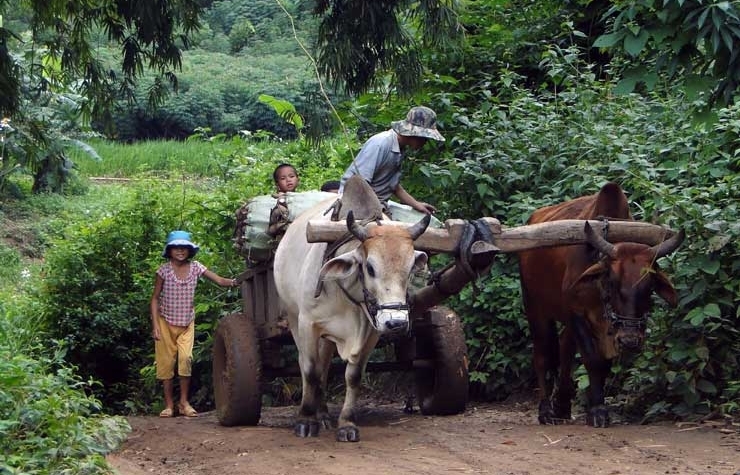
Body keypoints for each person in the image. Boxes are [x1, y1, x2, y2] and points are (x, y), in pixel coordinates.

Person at [150, 230, 239, 418]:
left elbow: (219, 280)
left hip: (186, 323)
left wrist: (234, 282)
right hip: (165, 322)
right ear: (170, 251)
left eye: (184, 248)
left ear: (189, 251)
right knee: (166, 365)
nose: (180, 251)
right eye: (176, 248)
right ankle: (169, 405)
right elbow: (155, 298)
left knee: (185, 360)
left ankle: (184, 402)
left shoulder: (196, 267)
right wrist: (155, 325)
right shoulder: (163, 270)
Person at [339, 106, 445, 215]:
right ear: (415, 134)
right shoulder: (380, 144)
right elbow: (359, 184)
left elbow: (393, 186)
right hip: (356, 202)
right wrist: (375, 211)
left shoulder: (400, 148)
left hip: (377, 204)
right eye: (424, 138)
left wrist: (416, 204)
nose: (425, 142)